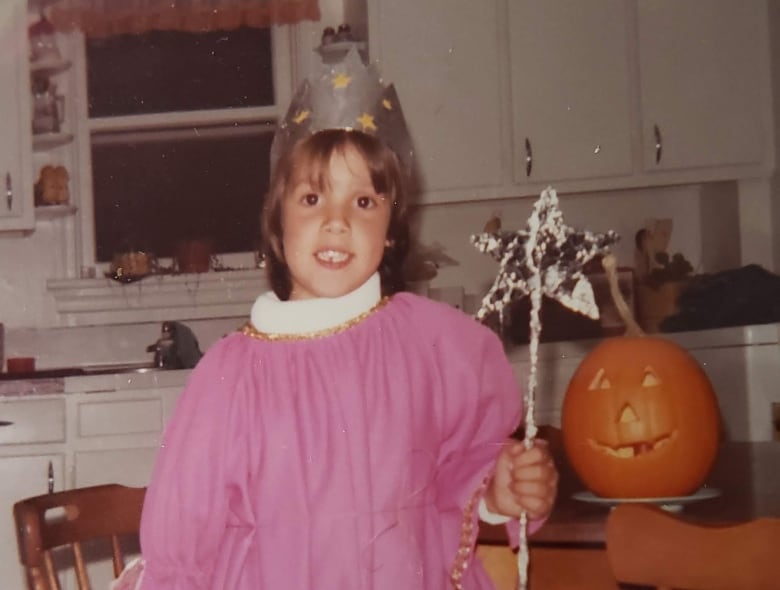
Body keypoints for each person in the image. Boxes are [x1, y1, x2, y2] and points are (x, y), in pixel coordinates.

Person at [129, 49, 558, 590]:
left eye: (362, 202)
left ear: (391, 228)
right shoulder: (229, 377)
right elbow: (183, 541)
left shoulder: (434, 347)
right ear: (278, 226)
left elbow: (459, 474)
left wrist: (502, 491)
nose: (336, 222)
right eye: (312, 198)